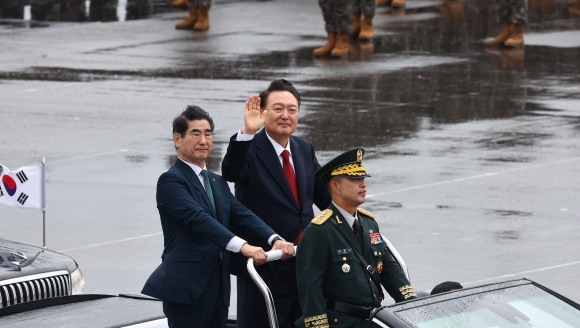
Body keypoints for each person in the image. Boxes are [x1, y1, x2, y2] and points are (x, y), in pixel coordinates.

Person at [142, 105, 295, 328]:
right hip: (187, 290)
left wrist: (274, 239)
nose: (203, 140)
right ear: (178, 139)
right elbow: (200, 220)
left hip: (219, 289)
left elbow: (242, 214)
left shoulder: (216, 182)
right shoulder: (171, 181)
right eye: (195, 134)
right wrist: (244, 246)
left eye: (208, 134)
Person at [221, 79, 331, 328]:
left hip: (304, 265)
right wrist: (248, 132)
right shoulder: (249, 148)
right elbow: (231, 172)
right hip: (266, 264)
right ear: (263, 112)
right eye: (278, 108)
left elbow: (324, 197)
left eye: (292, 110)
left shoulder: (304, 148)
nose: (285, 115)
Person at [296, 148, 417, 328]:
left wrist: (413, 308)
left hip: (372, 320)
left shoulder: (369, 223)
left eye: (362, 178)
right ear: (335, 187)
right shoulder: (319, 231)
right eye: (354, 179)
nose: (363, 184)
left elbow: (389, 269)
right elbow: (310, 289)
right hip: (341, 324)